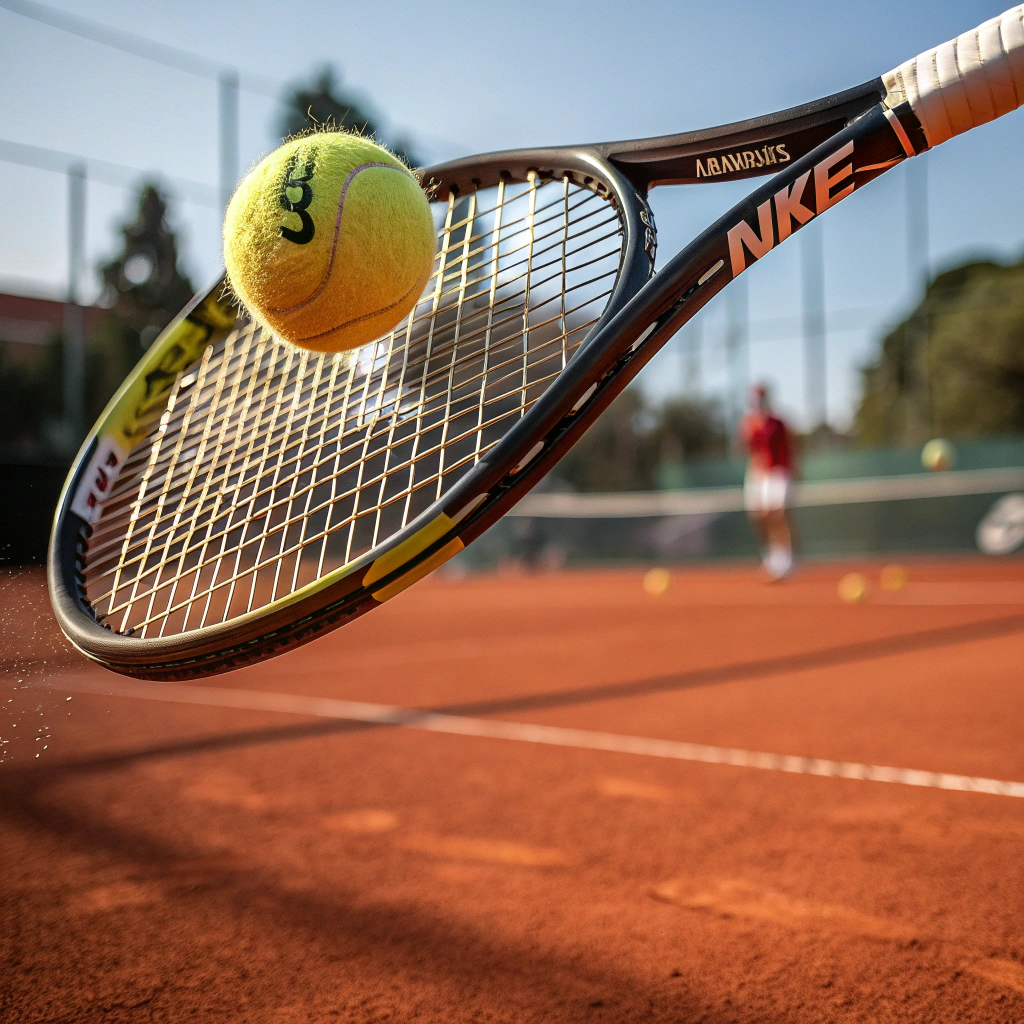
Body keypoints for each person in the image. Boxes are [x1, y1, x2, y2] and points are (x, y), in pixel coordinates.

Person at [739, 384, 795, 580]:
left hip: (778, 472)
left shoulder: (778, 422)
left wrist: (792, 470)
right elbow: (746, 448)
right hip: (758, 474)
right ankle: (772, 556)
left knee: (777, 516)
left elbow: (790, 446)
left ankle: (785, 561)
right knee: (760, 517)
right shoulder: (750, 422)